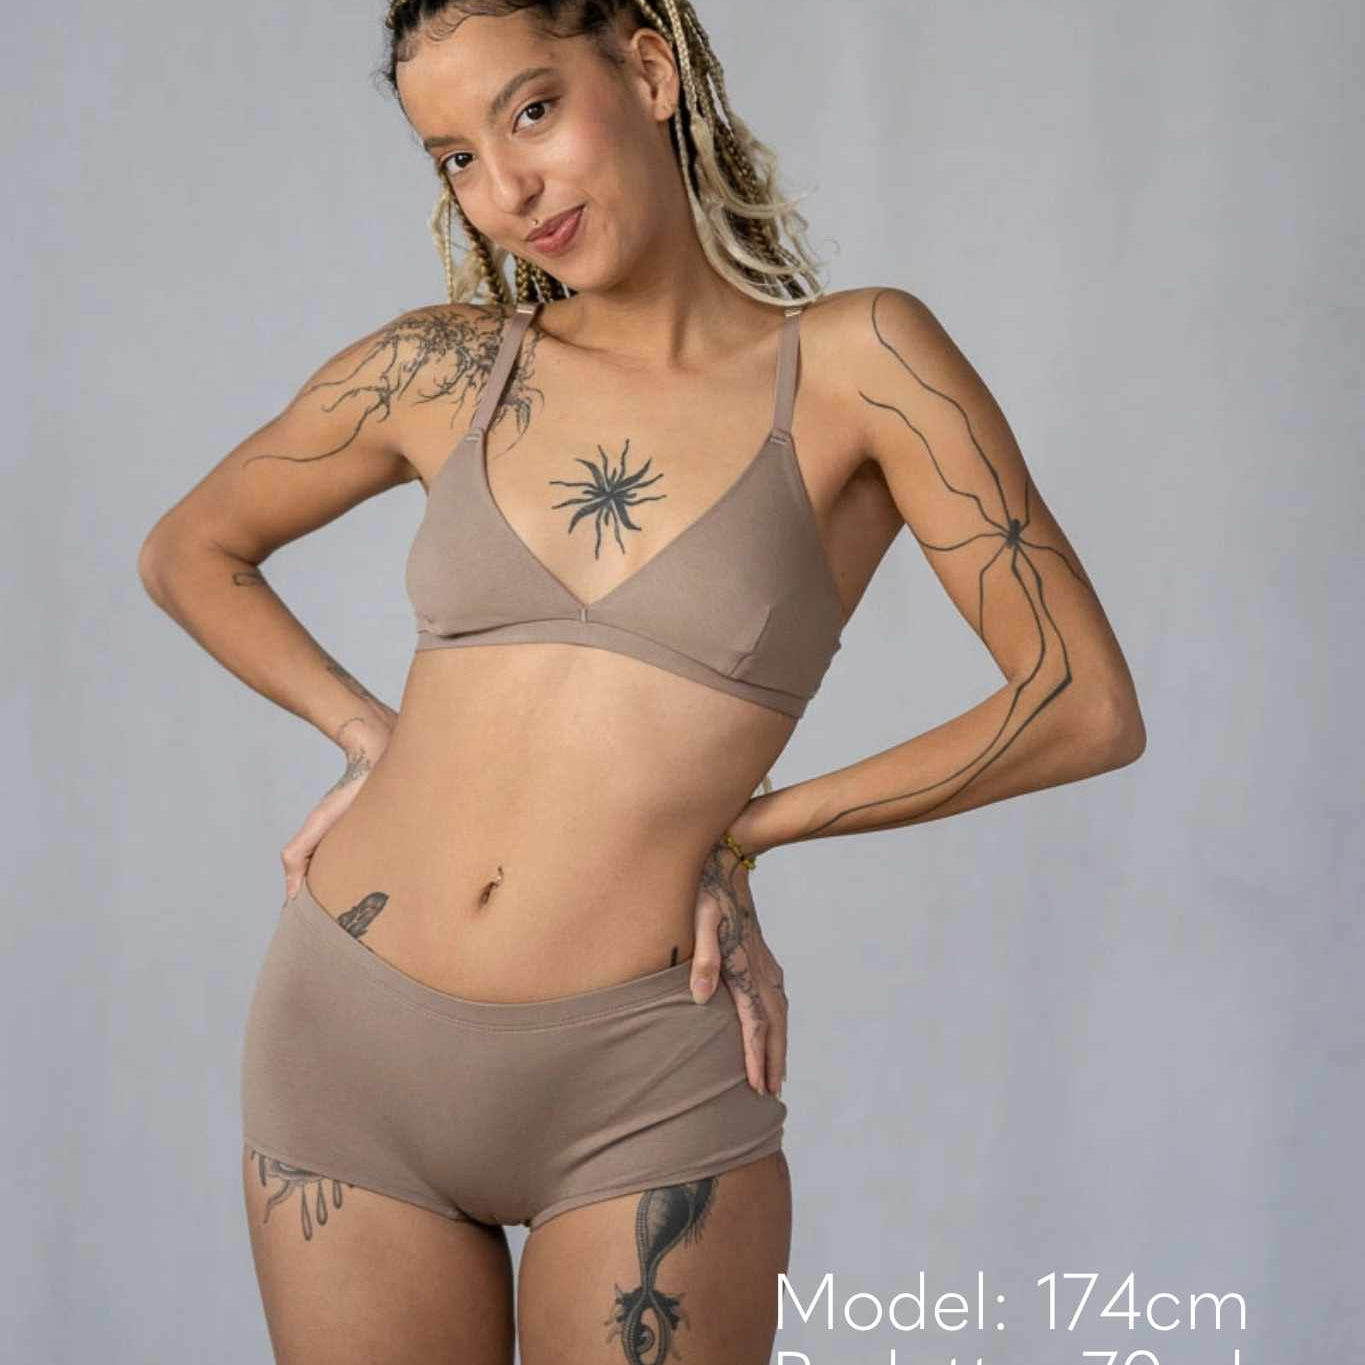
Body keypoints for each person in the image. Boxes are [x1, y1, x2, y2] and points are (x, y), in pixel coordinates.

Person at [136, 2, 1146, 1361]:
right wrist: (371, 737)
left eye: (532, 111)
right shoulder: (445, 366)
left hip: (640, 1080)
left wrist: (752, 828)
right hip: (346, 1043)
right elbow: (189, 551)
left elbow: (1083, 702)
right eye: (456, 157)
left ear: (651, 69)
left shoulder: (857, 366)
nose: (508, 187)